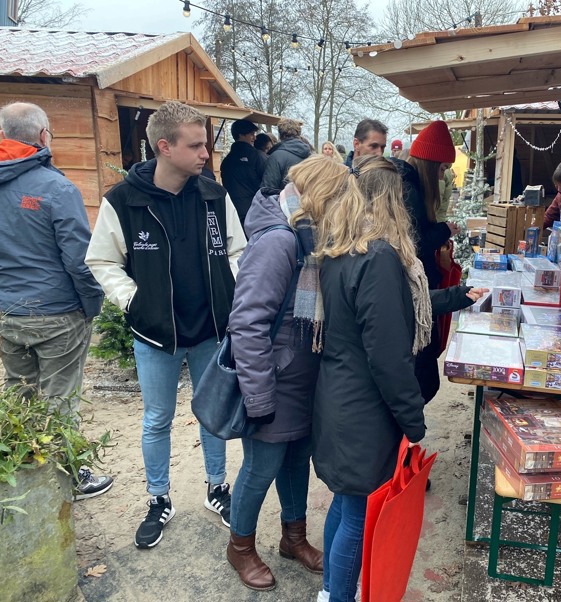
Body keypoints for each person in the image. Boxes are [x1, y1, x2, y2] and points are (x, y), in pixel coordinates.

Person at [307, 156, 483, 602]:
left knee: (345, 504)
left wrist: (459, 296)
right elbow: (387, 356)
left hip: (339, 401)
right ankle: (338, 596)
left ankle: (330, 591)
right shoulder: (379, 257)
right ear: (394, 202)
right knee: (356, 512)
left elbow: (399, 309)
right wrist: (413, 420)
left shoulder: (342, 248)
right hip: (362, 410)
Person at [86, 100, 247, 549]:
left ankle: (217, 488)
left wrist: (230, 290)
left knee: (212, 416)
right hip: (155, 334)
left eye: (205, 145)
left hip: (211, 331)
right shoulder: (123, 201)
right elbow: (101, 259)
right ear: (165, 147)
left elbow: (239, 250)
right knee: (157, 419)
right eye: (196, 145)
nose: (205, 154)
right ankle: (159, 499)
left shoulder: (215, 196)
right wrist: (135, 302)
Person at [224, 155, 344, 591]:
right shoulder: (278, 241)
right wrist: (258, 396)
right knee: (261, 467)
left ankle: (293, 538)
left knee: (296, 461)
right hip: (273, 381)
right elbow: (247, 322)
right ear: (319, 197)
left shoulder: (308, 237)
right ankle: (240, 547)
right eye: (337, 199)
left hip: (302, 380)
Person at [0, 101, 113, 501]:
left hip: (7, 312)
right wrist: (91, 305)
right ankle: (68, 478)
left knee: (20, 392)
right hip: (56, 313)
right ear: (44, 136)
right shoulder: (58, 189)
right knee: (60, 397)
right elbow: (80, 261)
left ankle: (22, 470)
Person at [402, 120, 462, 404]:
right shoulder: (409, 190)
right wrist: (443, 231)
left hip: (418, 289)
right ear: (430, 164)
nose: (442, 177)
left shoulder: (409, 185)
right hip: (414, 291)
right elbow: (413, 244)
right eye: (441, 169)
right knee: (423, 378)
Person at [220, 119, 266, 225]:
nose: (255, 138)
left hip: (234, 209)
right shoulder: (258, 156)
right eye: (251, 134)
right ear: (241, 135)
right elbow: (267, 184)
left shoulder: (227, 160)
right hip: (256, 210)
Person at [261, 118, 311, 195]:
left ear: (280, 135)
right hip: (308, 203)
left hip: (284, 204)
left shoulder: (276, 157)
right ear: (298, 134)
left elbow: (268, 189)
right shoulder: (311, 155)